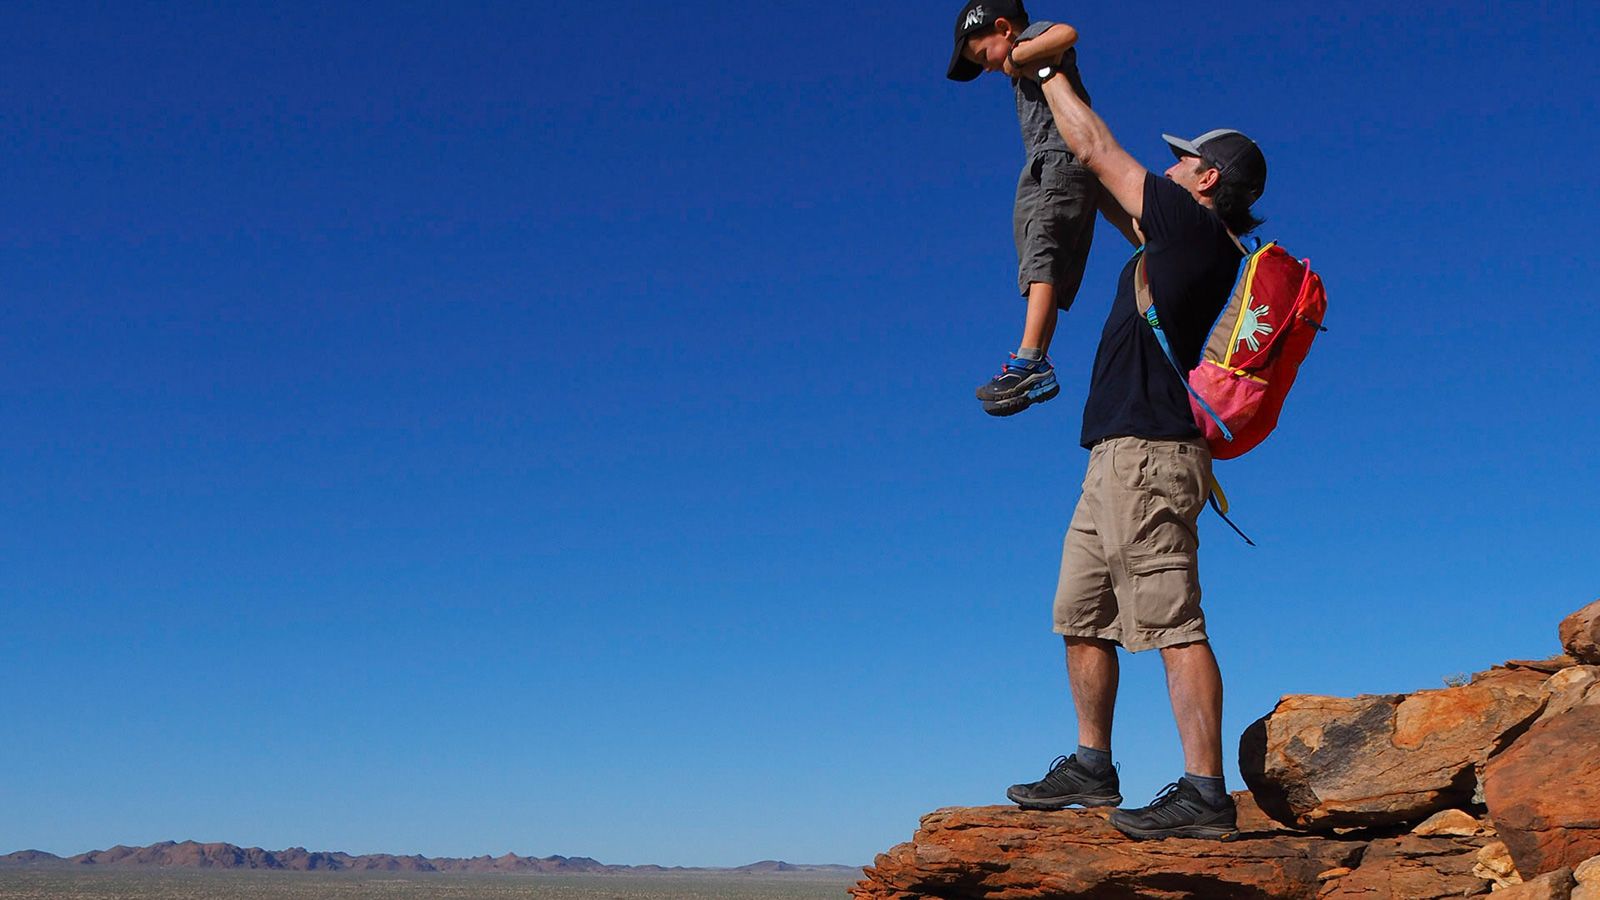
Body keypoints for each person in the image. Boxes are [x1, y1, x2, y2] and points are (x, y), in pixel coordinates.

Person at [998, 51, 1270, 840]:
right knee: (1080, 613)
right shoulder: (1173, 237)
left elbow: (1097, 153)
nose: (1172, 165)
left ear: (1208, 179)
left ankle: (1204, 793)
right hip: (1114, 456)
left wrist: (1048, 72)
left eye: (1184, 159)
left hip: (1151, 456)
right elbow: (1100, 184)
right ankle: (1093, 764)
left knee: (1173, 620)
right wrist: (1060, 90)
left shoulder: (1194, 230)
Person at [946, 0, 1098, 417]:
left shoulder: (1029, 38)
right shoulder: (1016, 50)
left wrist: (1018, 56)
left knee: (1044, 252)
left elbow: (1067, 34)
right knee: (1036, 263)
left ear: (1003, 28)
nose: (989, 68)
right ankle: (1036, 362)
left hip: (1061, 158)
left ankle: (1029, 356)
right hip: (1041, 163)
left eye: (983, 56)